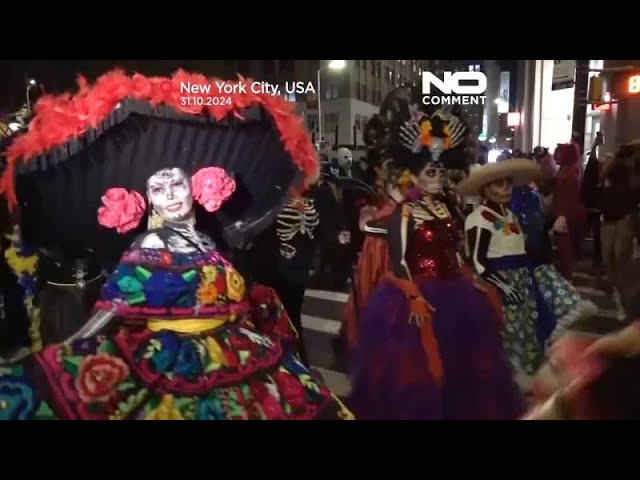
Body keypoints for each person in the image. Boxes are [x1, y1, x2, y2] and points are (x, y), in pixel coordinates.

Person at [0, 69, 353, 420]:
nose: (169, 195)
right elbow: (111, 310)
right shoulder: (149, 245)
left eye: (176, 185)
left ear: (195, 187)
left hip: (235, 354)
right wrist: (67, 351)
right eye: (158, 189)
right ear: (148, 199)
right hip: (170, 365)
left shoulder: (208, 241)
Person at [349, 88, 523, 420]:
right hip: (417, 297)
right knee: (419, 379)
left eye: (441, 172)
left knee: (464, 372)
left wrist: (468, 277)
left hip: (455, 294)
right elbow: (399, 261)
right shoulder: (405, 212)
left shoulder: (445, 208)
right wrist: (413, 296)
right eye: (430, 172)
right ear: (412, 175)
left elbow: (454, 251)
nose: (438, 178)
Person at [459, 158, 596, 389]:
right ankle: (509, 384)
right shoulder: (479, 218)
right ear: (485, 189)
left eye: (508, 184)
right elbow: (477, 261)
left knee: (528, 329)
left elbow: (520, 247)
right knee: (511, 335)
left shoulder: (509, 216)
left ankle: (528, 380)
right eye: (499, 184)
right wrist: (502, 285)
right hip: (501, 284)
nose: (505, 189)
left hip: (523, 279)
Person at [600, 142, 640, 321]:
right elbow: (601, 177)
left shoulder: (634, 171)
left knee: (620, 257)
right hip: (609, 218)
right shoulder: (613, 168)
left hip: (624, 218)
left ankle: (624, 301)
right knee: (609, 257)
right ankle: (617, 291)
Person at [552, 143, 587, 281]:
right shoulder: (565, 170)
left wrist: (562, 214)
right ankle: (567, 275)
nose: (557, 156)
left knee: (566, 247)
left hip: (567, 214)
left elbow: (571, 196)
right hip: (562, 212)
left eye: (559, 153)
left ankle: (568, 277)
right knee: (563, 247)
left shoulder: (572, 171)